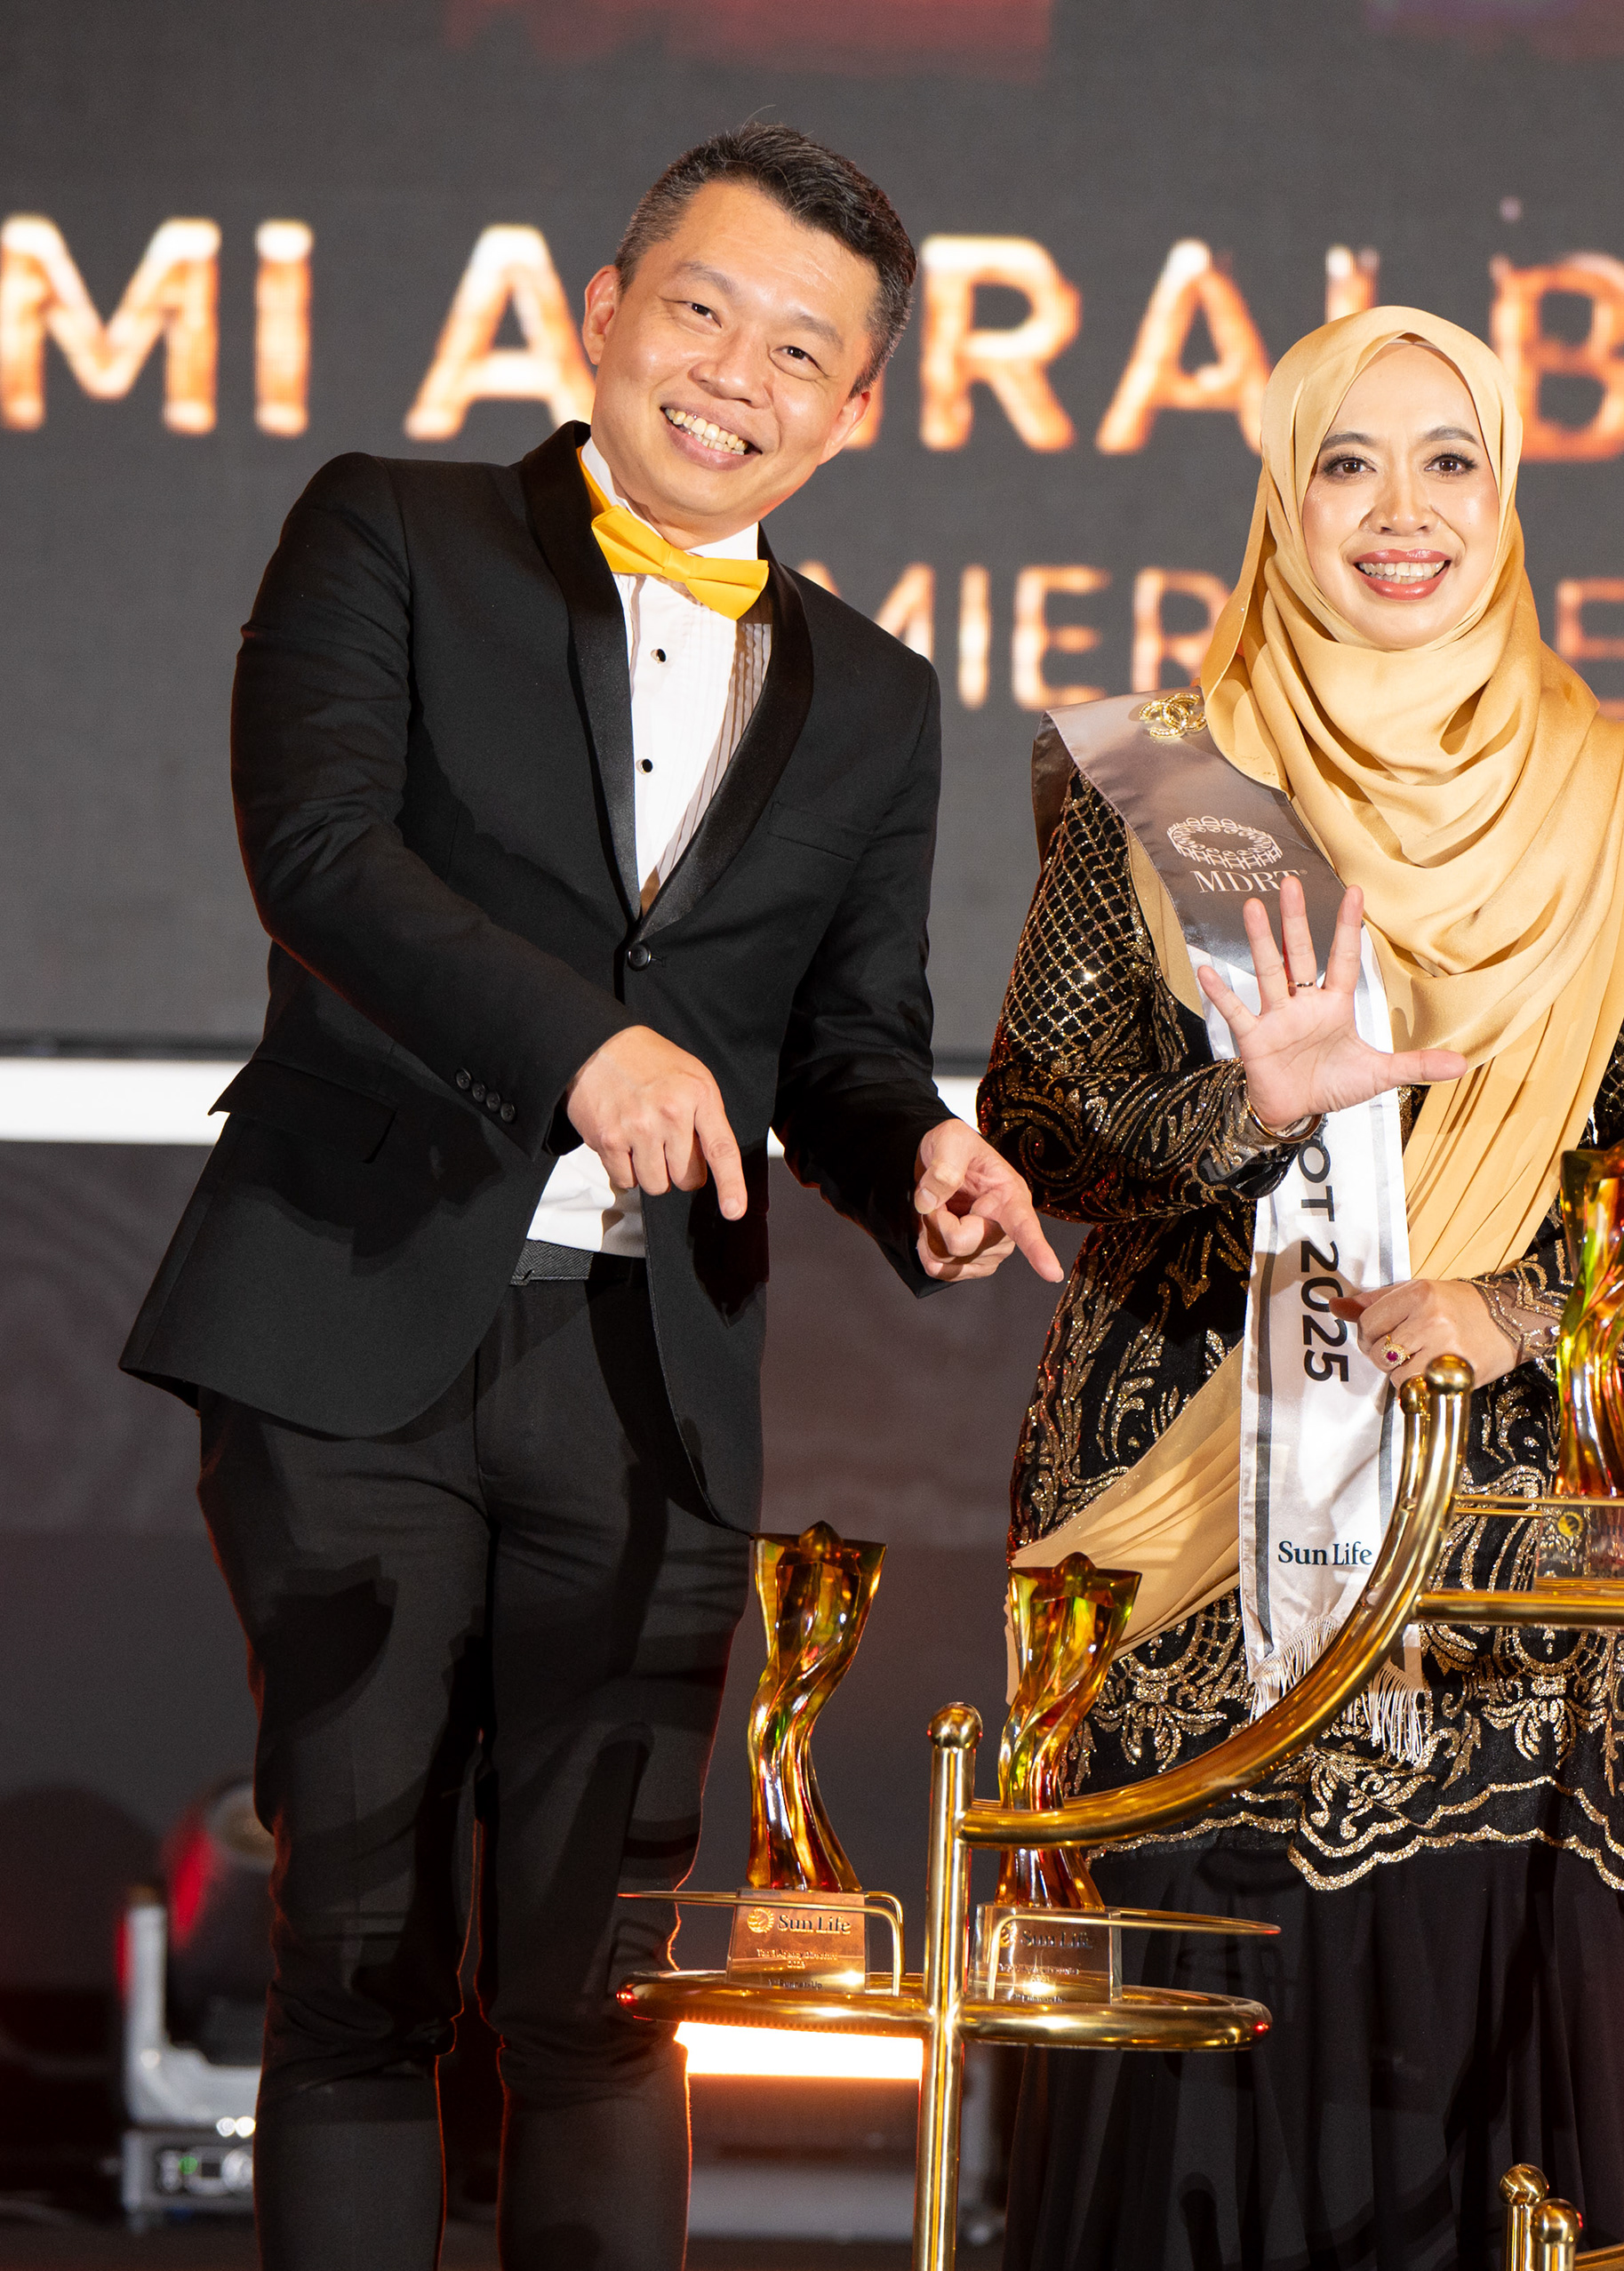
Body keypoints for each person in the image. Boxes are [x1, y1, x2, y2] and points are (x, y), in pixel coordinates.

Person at [116, 125, 1056, 2271]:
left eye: (800, 350)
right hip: (354, 1323)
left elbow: (842, 1042)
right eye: (701, 311)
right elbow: (323, 856)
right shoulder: (393, 527)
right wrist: (579, 1050)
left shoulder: (877, 695)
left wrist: (915, 1156)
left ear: (857, 409)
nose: (736, 375)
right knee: (361, 1955)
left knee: (603, 1981)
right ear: (605, 314)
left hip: (647, 1383)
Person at [983, 306, 1624, 2271]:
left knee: (1467, 2093)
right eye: (1348, 461)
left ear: (1505, 499)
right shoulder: (1162, 773)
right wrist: (1239, 1109)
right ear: (1284, 497)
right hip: (1188, 1517)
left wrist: (1521, 1308)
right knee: (1185, 2064)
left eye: (1450, 461)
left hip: (1507, 1545)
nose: (1400, 511)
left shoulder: (1618, 794)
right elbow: (1043, 1120)